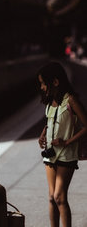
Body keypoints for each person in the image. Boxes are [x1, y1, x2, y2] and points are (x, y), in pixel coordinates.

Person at [37, 61, 87, 227]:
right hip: (51, 153)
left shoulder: (71, 100)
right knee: (51, 197)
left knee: (60, 197)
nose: (42, 87)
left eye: (44, 83)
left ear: (56, 82)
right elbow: (50, 122)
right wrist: (43, 134)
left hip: (66, 154)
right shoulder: (50, 102)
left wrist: (67, 142)